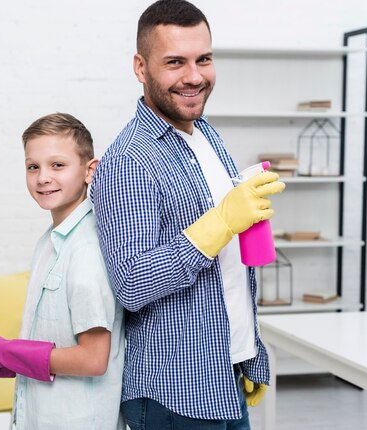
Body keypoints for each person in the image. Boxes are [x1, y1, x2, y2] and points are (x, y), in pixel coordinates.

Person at [90, 1, 285, 429]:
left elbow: (227, 267)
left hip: (225, 375)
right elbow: (131, 282)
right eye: (175, 62)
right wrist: (218, 224)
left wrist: (247, 350)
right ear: (141, 67)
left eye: (204, 59)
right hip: (173, 396)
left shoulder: (205, 132)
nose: (194, 76)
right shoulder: (129, 160)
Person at [0, 113, 125, 430]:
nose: (42, 177)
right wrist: (9, 361)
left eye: (58, 165)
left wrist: (8, 352)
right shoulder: (50, 243)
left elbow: (93, 359)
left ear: (89, 171)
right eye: (33, 166)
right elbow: (57, 341)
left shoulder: (86, 251)